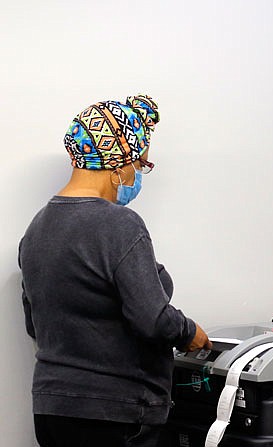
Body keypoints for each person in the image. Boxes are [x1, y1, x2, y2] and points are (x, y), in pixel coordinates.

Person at [19, 94, 212, 447]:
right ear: (119, 164)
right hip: (116, 413)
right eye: (141, 165)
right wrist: (190, 332)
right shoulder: (119, 225)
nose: (139, 175)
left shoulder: (37, 228)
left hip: (52, 410)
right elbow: (151, 318)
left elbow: (35, 323)